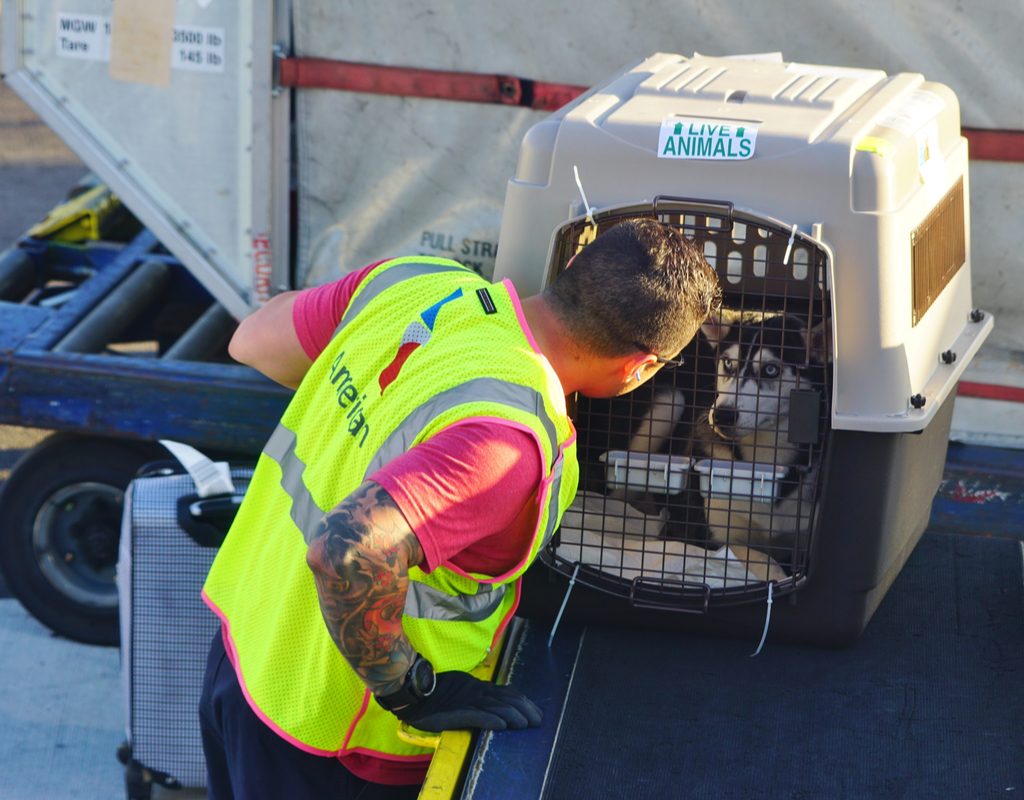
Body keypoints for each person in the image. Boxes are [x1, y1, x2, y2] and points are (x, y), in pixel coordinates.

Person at [199, 217, 721, 799]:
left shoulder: (416, 282)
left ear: (570, 272)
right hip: (337, 739)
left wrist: (363, 397)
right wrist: (409, 688)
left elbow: (251, 342)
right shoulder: (512, 439)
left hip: (244, 658)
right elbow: (348, 549)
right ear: (639, 367)